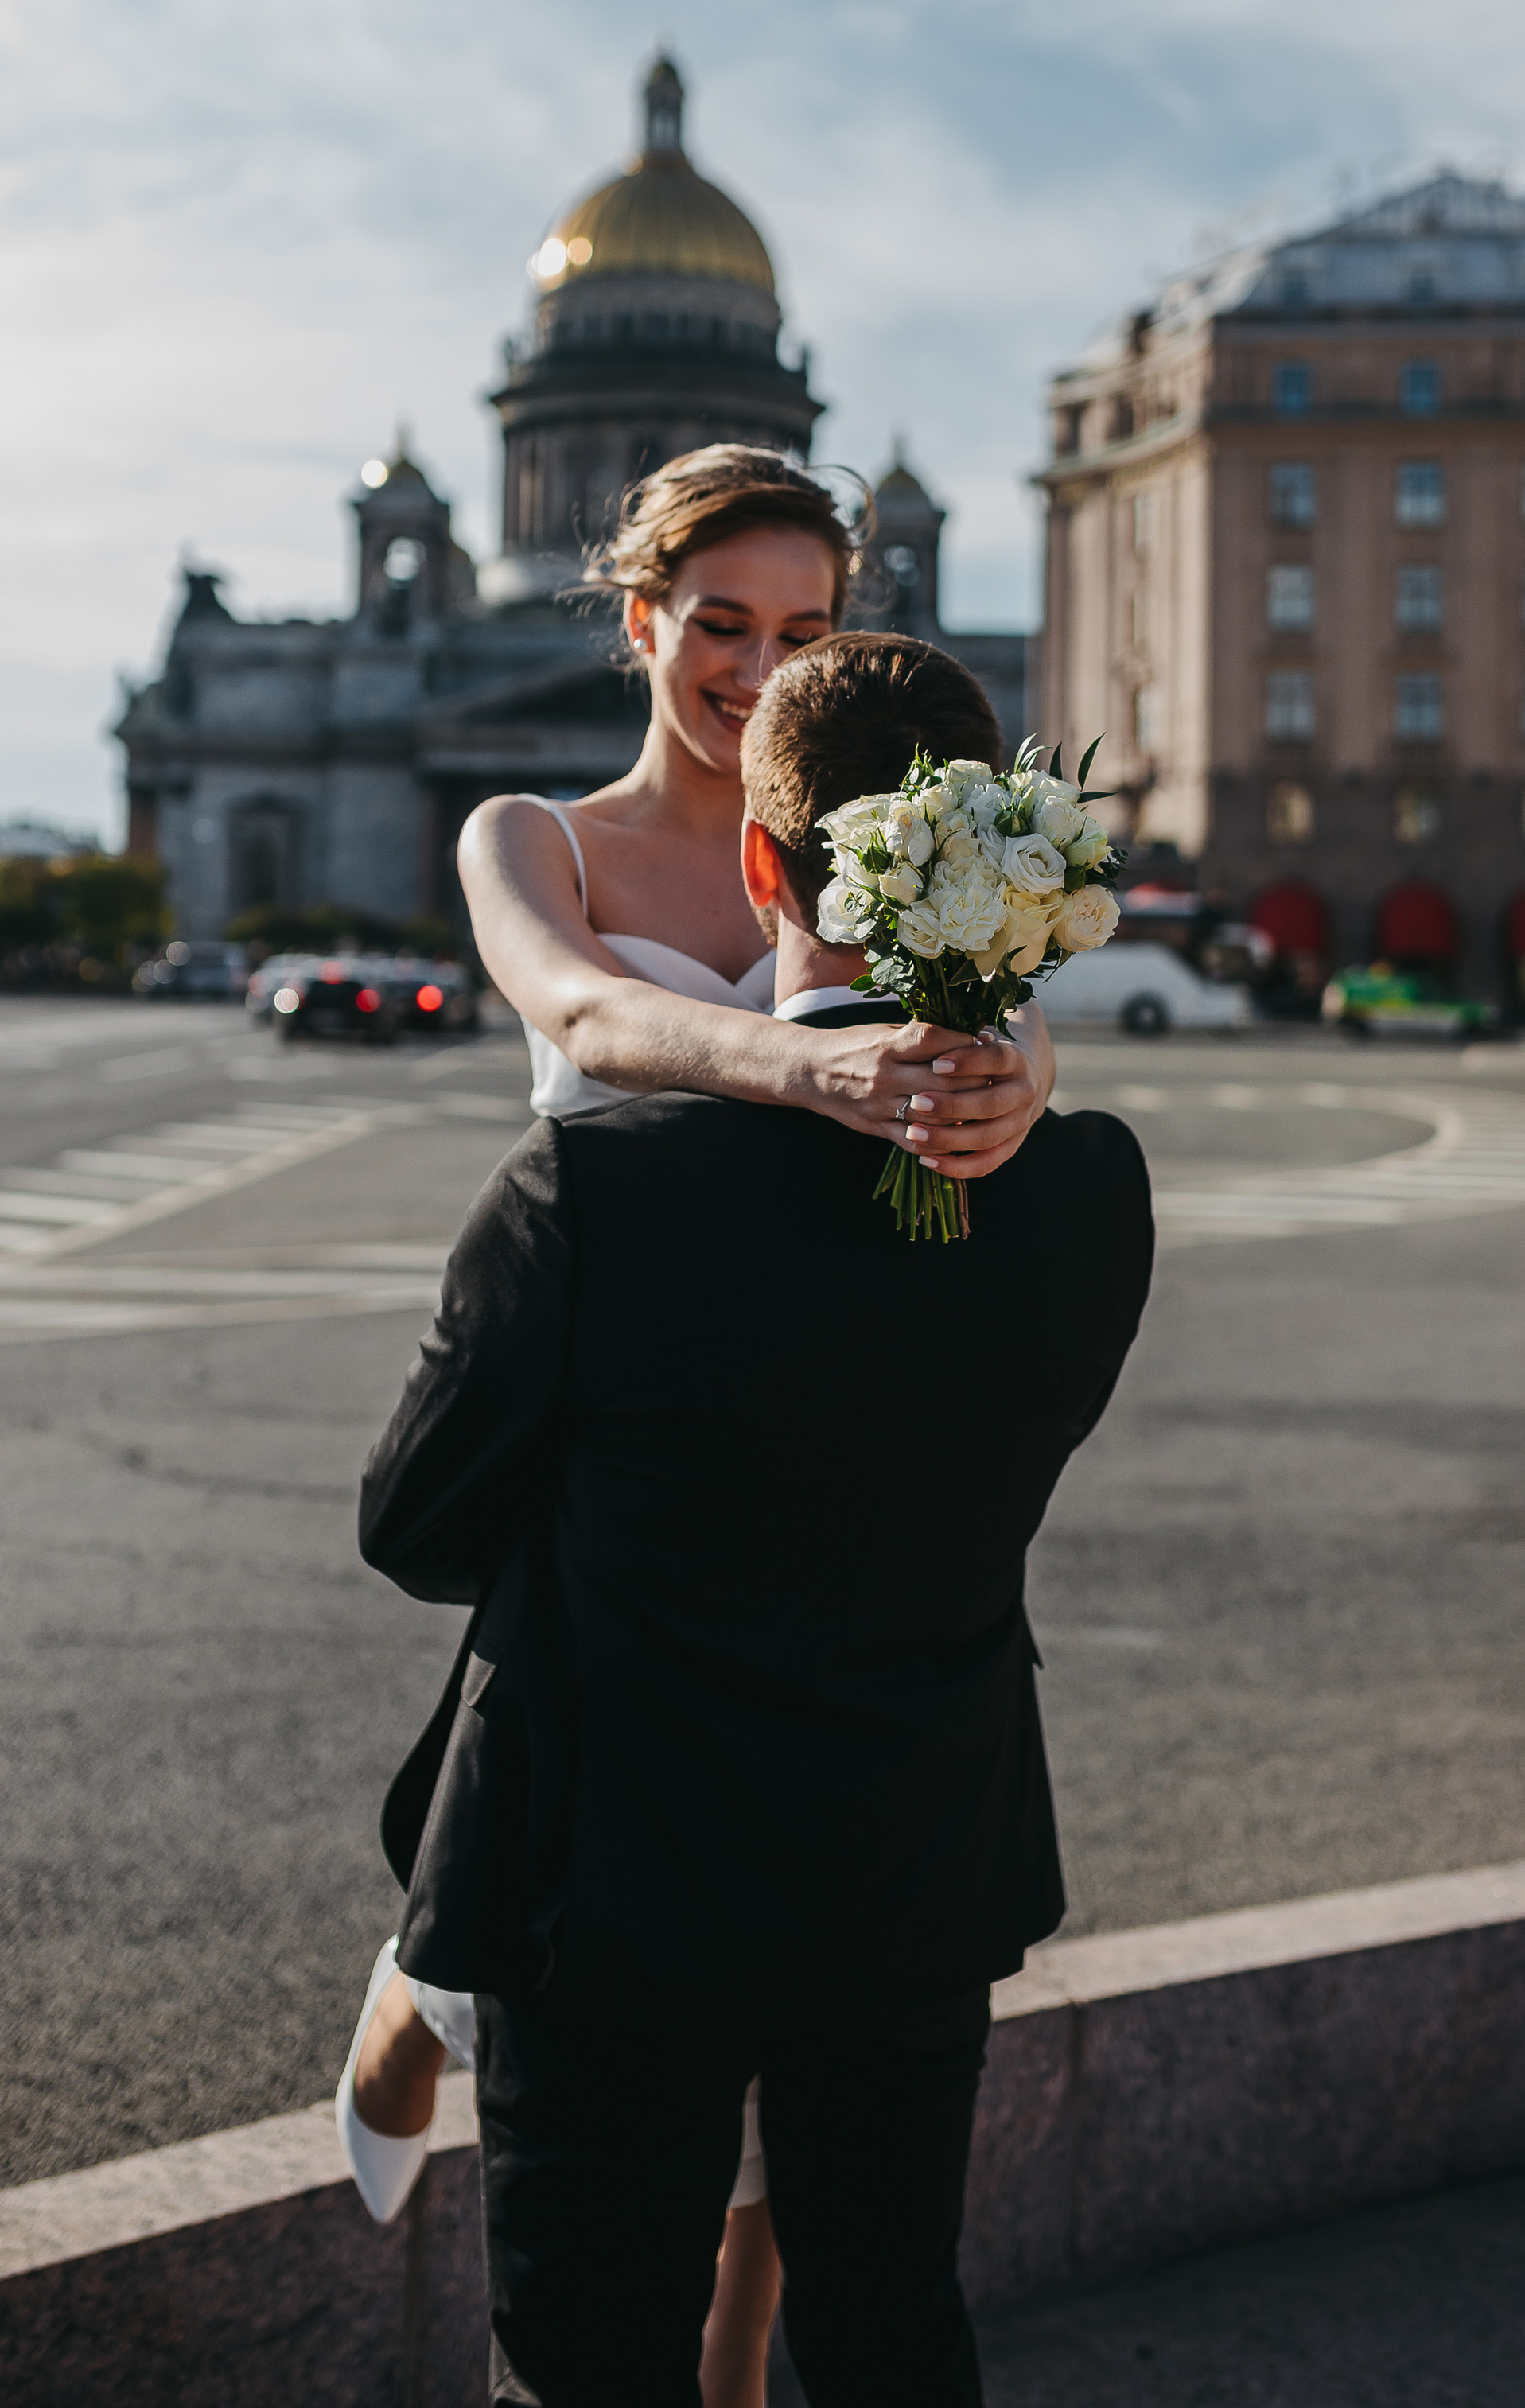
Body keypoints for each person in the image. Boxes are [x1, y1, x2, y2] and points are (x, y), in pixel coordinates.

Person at [359, 631, 1154, 2405]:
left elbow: (412, 1527)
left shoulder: (589, 1192)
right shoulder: (1088, 1191)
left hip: (608, 1883)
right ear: (1015, 867)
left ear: (756, 867)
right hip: (912, 1861)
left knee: (587, 2365)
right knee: (888, 2329)